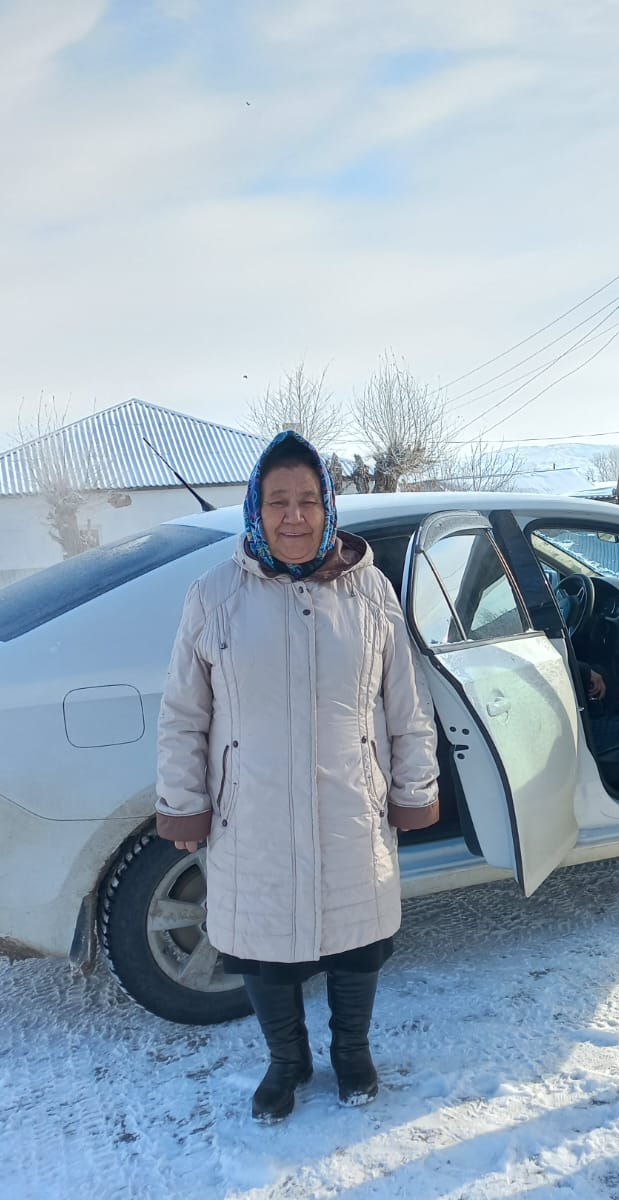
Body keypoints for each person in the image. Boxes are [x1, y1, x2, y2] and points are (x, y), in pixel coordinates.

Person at [155, 430, 440, 1120]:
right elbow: (183, 715)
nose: (293, 516)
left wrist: (414, 788)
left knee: (359, 944)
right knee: (263, 950)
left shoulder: (369, 593)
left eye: (307, 500)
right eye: (278, 501)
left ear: (328, 507)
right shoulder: (214, 596)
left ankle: (352, 1053)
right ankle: (287, 1062)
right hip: (251, 812)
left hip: (350, 806)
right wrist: (184, 802)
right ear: (255, 508)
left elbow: (407, 703)